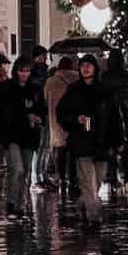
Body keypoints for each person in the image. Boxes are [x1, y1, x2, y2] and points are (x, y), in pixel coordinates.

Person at [57, 54, 124, 230]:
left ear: (95, 68)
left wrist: (118, 140)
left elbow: (115, 117)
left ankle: (84, 204)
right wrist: (74, 120)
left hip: (101, 143)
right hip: (81, 143)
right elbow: (61, 113)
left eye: (89, 65)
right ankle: (94, 218)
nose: (86, 68)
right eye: (83, 65)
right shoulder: (73, 90)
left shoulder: (105, 91)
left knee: (97, 180)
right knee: (88, 181)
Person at [0, 57, 45, 219]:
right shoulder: (5, 87)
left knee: (25, 172)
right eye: (21, 70)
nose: (24, 74)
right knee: (17, 169)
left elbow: (42, 109)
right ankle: (11, 203)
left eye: (27, 71)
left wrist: (39, 118)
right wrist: (1, 126)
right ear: (16, 71)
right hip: (11, 135)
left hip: (29, 135)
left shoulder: (35, 88)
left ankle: (21, 204)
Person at [102, 49, 128, 192]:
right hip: (126, 111)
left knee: (111, 145)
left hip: (109, 113)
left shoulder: (105, 75)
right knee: (127, 145)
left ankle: (112, 176)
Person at [45, 54, 79, 196]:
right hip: (75, 120)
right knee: (73, 152)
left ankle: (61, 178)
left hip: (56, 120)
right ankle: (72, 179)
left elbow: (45, 99)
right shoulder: (78, 78)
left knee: (61, 151)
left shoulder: (51, 81)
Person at [30, 46, 51, 186]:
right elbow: (36, 93)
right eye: (43, 56)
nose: (45, 58)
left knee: (45, 145)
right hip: (40, 112)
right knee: (40, 146)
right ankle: (37, 176)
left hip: (46, 111)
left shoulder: (45, 72)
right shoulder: (36, 73)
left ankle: (42, 174)